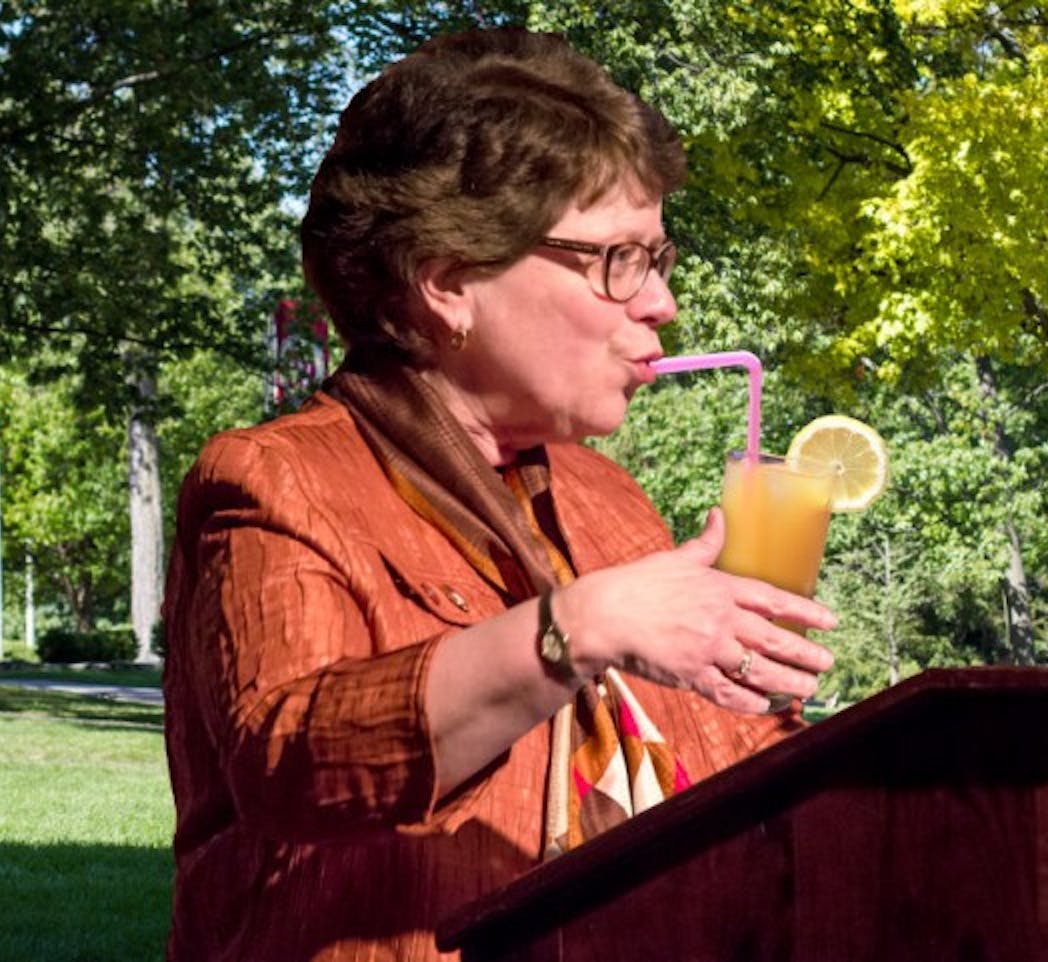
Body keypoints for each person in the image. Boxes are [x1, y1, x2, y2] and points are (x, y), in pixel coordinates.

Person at [160, 28, 837, 962]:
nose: (661, 304)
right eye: (617, 261)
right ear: (448, 282)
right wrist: (578, 626)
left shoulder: (607, 499)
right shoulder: (277, 480)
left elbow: (726, 788)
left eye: (659, 258)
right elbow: (289, 759)